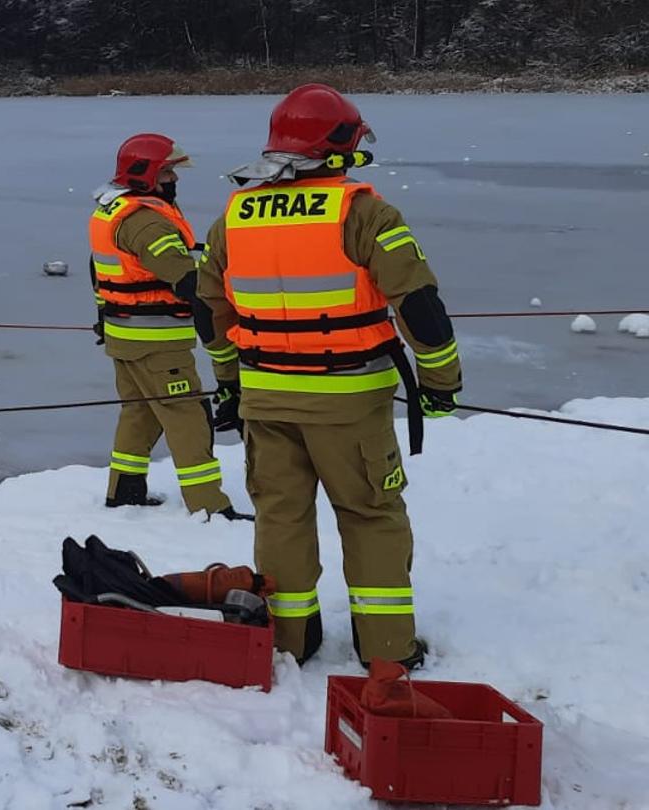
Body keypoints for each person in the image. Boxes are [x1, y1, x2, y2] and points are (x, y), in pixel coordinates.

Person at [196, 84, 463, 669]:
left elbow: (208, 308)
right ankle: (387, 649)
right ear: (340, 146)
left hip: (265, 398)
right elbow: (418, 304)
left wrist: (228, 379)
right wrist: (440, 380)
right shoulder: (364, 211)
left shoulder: (234, 216)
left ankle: (292, 641)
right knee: (371, 517)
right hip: (350, 403)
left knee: (280, 518)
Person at [89, 133, 249, 522]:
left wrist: (102, 319)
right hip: (158, 344)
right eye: (167, 173)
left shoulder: (112, 210)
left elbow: (99, 273)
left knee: (139, 414)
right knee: (188, 417)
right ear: (146, 175)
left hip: (123, 336)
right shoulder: (147, 224)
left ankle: (124, 491)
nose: (173, 181)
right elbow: (187, 282)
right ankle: (208, 505)